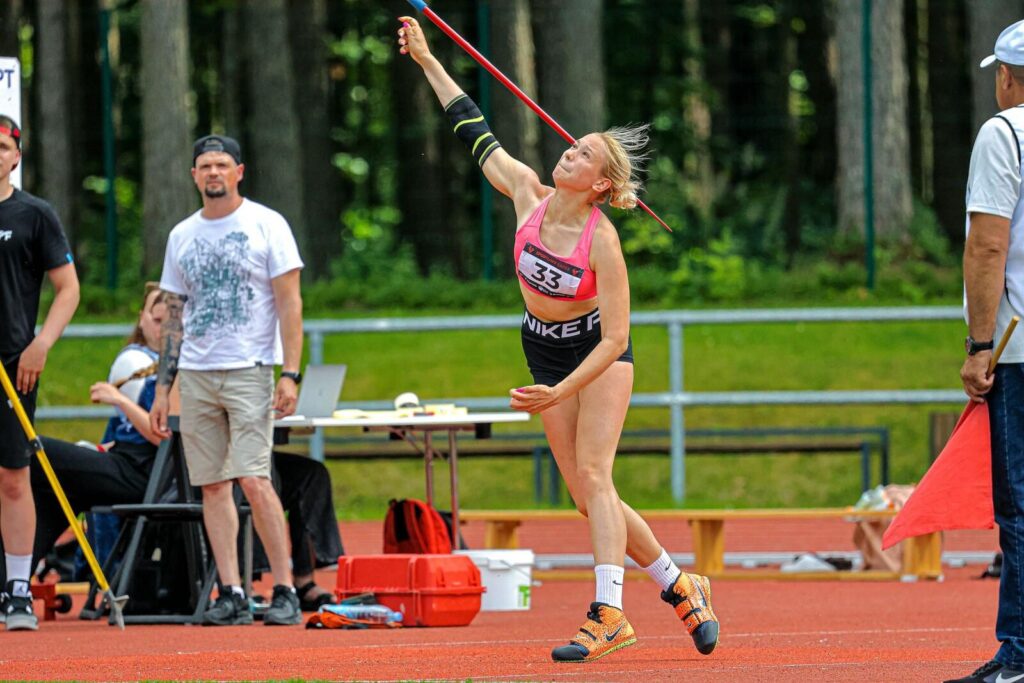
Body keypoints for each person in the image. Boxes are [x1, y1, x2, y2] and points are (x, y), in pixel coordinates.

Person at [397, 18, 719, 663]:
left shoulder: (603, 242)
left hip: (597, 355)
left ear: (600, 183)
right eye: (572, 146)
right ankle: (680, 584)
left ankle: (608, 614)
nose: (568, 152)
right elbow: (471, 126)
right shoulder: (527, 194)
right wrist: (428, 60)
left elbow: (618, 338)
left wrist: (561, 390)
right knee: (586, 498)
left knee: (597, 475)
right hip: (543, 347)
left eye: (583, 154)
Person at [149, 134, 305, 626]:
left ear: (239, 172)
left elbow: (290, 303)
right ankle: (232, 591)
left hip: (249, 367)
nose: (213, 172)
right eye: (205, 166)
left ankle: (285, 588)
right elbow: (173, 315)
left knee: (254, 478)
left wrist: (290, 372)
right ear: (194, 176)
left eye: (221, 164)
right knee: (212, 486)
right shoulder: (182, 235)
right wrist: (163, 387)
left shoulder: (266, 224)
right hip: (196, 373)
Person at [950, 19, 1024, 683]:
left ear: (1006, 77)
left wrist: (979, 345)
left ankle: (1020, 652)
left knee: (1021, 504)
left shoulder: (1004, 132)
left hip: (1019, 345)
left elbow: (988, 244)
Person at [0, 115, 80, 631]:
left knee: (12, 476)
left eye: (1, 146)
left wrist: (41, 343)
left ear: (15, 156)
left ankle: (16, 589)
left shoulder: (34, 214)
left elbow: (68, 288)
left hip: (13, 365)